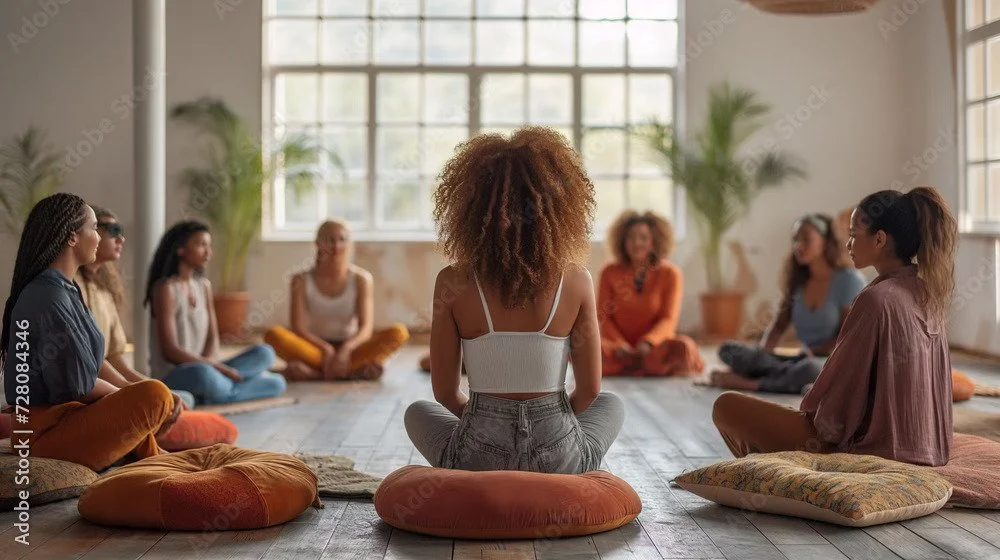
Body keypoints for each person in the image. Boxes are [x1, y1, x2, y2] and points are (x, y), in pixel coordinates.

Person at [404, 126, 625, 473]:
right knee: (613, 404)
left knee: (416, 412)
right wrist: (549, 423)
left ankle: (481, 472)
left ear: (471, 207)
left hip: (478, 457)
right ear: (558, 206)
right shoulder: (577, 280)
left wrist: (489, 423)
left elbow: (444, 393)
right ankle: (567, 471)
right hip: (559, 455)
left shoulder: (452, 282)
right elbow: (590, 391)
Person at [712, 186, 957, 467]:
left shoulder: (875, 299)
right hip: (929, 449)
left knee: (726, 406)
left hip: (874, 452)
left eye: (854, 235)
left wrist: (812, 404)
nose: (849, 245)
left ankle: (787, 474)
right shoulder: (927, 292)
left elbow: (835, 410)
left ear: (879, 239)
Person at [1, 193, 180, 471]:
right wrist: (135, 397)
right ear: (72, 237)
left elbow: (93, 364)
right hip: (44, 435)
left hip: (68, 420)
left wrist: (130, 393)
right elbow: (76, 385)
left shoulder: (65, 288)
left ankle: (153, 457)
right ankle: (153, 457)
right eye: (94, 228)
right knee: (155, 395)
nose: (98, 236)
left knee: (153, 395)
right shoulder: (48, 297)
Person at [706, 213, 866, 394]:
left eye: (806, 239)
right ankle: (772, 377)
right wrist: (759, 358)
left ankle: (749, 384)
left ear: (826, 241)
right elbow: (777, 328)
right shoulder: (798, 281)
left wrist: (815, 352)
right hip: (799, 360)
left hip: (832, 361)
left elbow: (849, 335)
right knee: (729, 350)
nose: (799, 245)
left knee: (811, 370)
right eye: (795, 239)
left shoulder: (849, 280)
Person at [145, 220, 287, 405]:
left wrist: (214, 365)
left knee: (266, 354)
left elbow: (213, 337)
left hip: (208, 367)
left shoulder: (203, 286)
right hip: (177, 374)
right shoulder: (165, 288)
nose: (208, 252)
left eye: (209, 245)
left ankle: (213, 392)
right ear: (180, 249)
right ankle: (218, 390)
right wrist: (216, 368)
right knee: (204, 375)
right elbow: (170, 351)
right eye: (201, 245)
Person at [75, 206, 196, 409]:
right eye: (113, 230)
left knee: (182, 398)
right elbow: (90, 363)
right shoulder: (71, 286)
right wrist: (132, 391)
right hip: (89, 389)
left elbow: (113, 356)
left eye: (121, 231)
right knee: (172, 397)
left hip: (109, 384)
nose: (121, 239)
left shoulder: (104, 290)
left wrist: (146, 387)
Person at [264, 219, 409, 381]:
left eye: (342, 240)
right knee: (273, 335)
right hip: (316, 349)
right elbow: (298, 327)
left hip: (352, 348)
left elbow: (365, 328)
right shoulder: (300, 280)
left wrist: (345, 350)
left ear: (349, 244)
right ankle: (352, 373)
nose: (336, 246)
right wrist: (326, 349)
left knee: (399, 333)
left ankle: (314, 374)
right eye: (329, 240)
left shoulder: (362, 279)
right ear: (318, 244)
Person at [597, 210, 704, 377]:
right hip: (618, 351)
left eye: (643, 238)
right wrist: (619, 346)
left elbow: (668, 319)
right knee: (582, 348)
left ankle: (635, 365)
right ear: (622, 241)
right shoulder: (609, 272)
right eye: (631, 237)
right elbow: (603, 317)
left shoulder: (670, 273)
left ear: (654, 242)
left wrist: (648, 343)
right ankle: (644, 366)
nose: (636, 243)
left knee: (684, 346)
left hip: (654, 349)